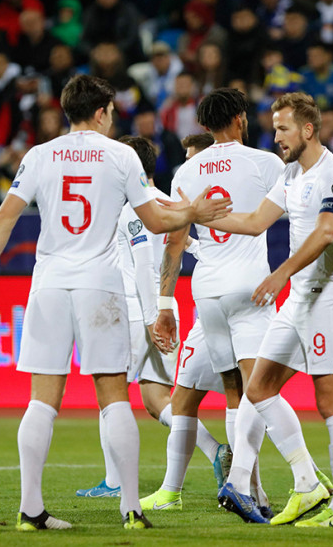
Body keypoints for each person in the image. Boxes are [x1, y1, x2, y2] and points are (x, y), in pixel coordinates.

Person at [0, 75, 231, 531]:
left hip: (48, 284)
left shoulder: (39, 154)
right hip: (100, 286)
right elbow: (154, 217)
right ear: (104, 111)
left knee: (42, 401)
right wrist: (192, 212)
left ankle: (31, 510)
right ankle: (131, 509)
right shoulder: (120, 154)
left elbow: (5, 216)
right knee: (113, 398)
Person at [187, 92, 333, 528]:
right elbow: (252, 222)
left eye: (283, 129)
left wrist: (281, 273)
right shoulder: (289, 174)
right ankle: (305, 486)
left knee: (331, 403)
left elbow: (324, 232)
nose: (276, 136)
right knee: (259, 388)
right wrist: (192, 216)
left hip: (327, 297)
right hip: (297, 299)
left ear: (307, 129)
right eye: (274, 128)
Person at [146, 89, 283, 515]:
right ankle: (249, 486)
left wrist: (165, 301)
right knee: (257, 391)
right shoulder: (266, 163)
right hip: (250, 284)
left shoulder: (186, 173)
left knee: (231, 393)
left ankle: (251, 491)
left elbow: (174, 242)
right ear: (241, 118)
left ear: (204, 126)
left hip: (205, 289)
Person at [77, 135, 227, 500]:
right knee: (156, 399)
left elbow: (143, 264)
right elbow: (188, 248)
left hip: (136, 309)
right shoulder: (172, 206)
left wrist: (150, 316)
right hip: (165, 306)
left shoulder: (132, 207)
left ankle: (114, 481)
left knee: (109, 391)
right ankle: (215, 451)